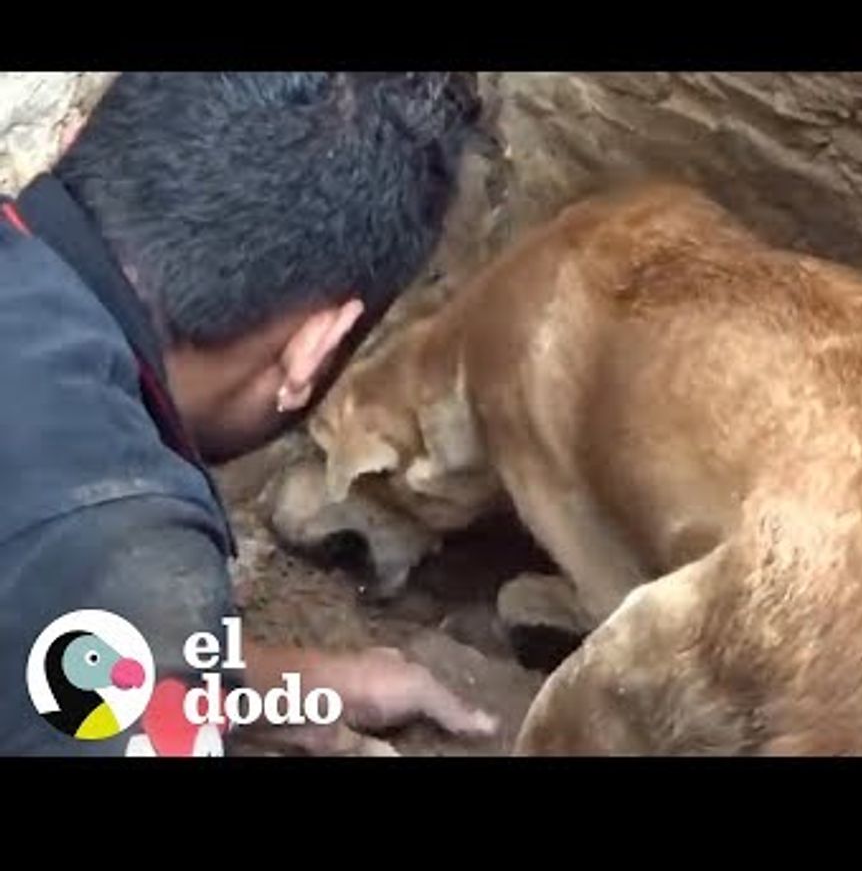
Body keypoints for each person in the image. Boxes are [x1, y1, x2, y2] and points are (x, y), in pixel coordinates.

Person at [0, 72, 497, 756]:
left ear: (80, 138)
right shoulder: (119, 547)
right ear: (311, 349)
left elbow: (63, 645)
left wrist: (309, 686)